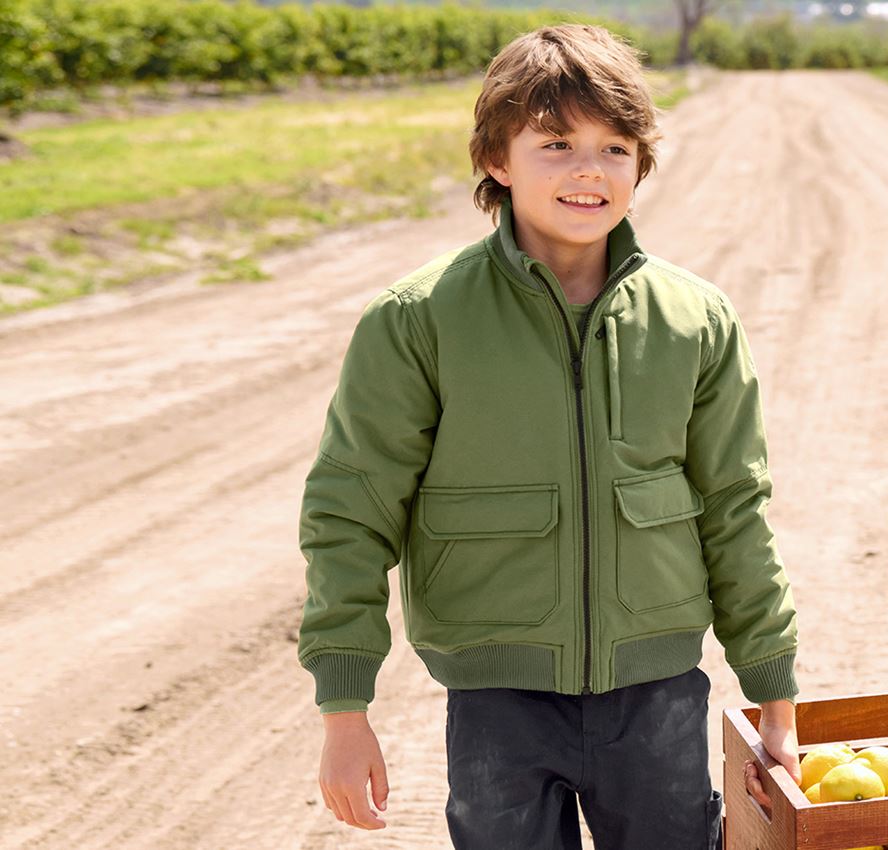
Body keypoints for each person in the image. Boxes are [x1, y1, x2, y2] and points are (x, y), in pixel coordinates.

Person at [296, 22, 802, 849]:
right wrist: (344, 714)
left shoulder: (696, 320)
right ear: (497, 159)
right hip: (498, 707)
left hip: (659, 695)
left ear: (641, 162)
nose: (588, 171)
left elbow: (736, 510)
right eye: (557, 142)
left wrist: (774, 702)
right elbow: (350, 512)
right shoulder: (419, 320)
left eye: (614, 146)